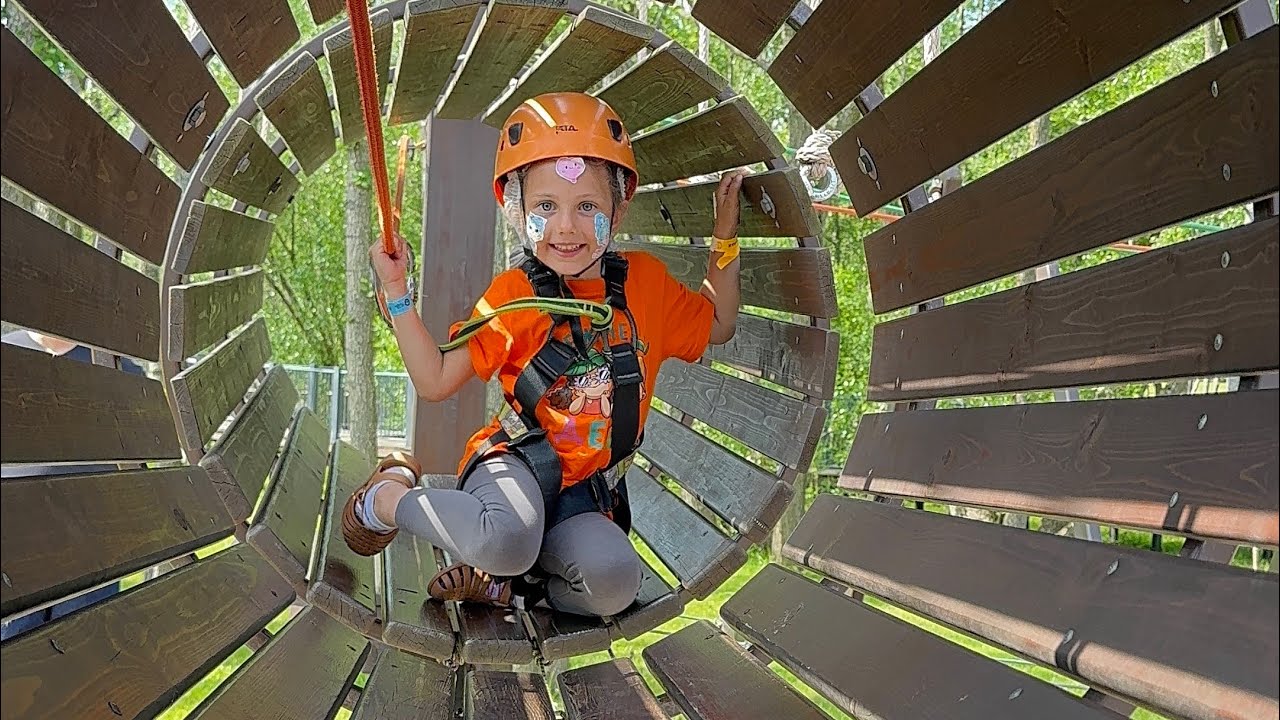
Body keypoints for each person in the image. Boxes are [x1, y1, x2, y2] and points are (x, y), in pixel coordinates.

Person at [341, 92, 744, 617]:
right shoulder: (514, 296)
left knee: (615, 584)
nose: (566, 228)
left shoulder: (645, 285)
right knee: (506, 537)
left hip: (582, 495)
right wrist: (397, 293)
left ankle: (509, 587)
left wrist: (725, 237)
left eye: (587, 207)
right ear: (519, 211)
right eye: (546, 207)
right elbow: (435, 380)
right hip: (515, 466)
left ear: (618, 208)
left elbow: (717, 323)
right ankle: (389, 495)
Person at [0, 329, 146, 639]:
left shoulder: (118, 370)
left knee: (82, 662)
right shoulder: (7, 352)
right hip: (14, 555)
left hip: (91, 563)